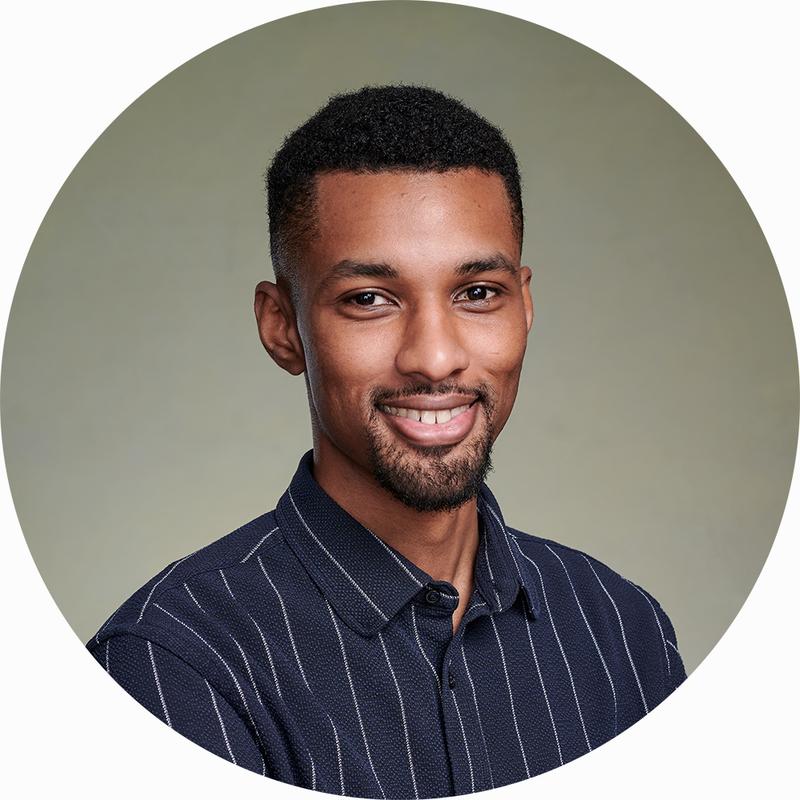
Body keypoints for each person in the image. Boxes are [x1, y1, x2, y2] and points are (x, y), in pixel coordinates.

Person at [87, 85, 686, 797]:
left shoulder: (622, 629)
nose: (434, 358)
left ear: (525, 306)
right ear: (282, 327)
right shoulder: (176, 665)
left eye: (478, 293)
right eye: (370, 299)